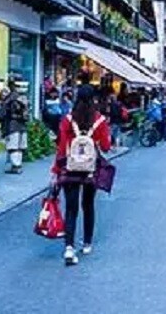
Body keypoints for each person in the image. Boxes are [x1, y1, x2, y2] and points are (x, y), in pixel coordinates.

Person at [51, 88, 111, 266]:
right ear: (93, 99)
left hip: (70, 169)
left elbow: (61, 148)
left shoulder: (68, 120)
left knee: (71, 208)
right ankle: (87, 243)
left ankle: (69, 246)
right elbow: (106, 146)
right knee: (88, 205)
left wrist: (55, 171)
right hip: (90, 170)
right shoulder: (99, 120)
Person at [0, 87, 29, 174]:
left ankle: (16, 166)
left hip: (12, 127)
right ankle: (18, 166)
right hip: (22, 127)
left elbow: (1, 115)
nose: (1, 96)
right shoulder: (21, 99)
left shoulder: (8, 101)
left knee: (12, 148)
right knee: (19, 148)